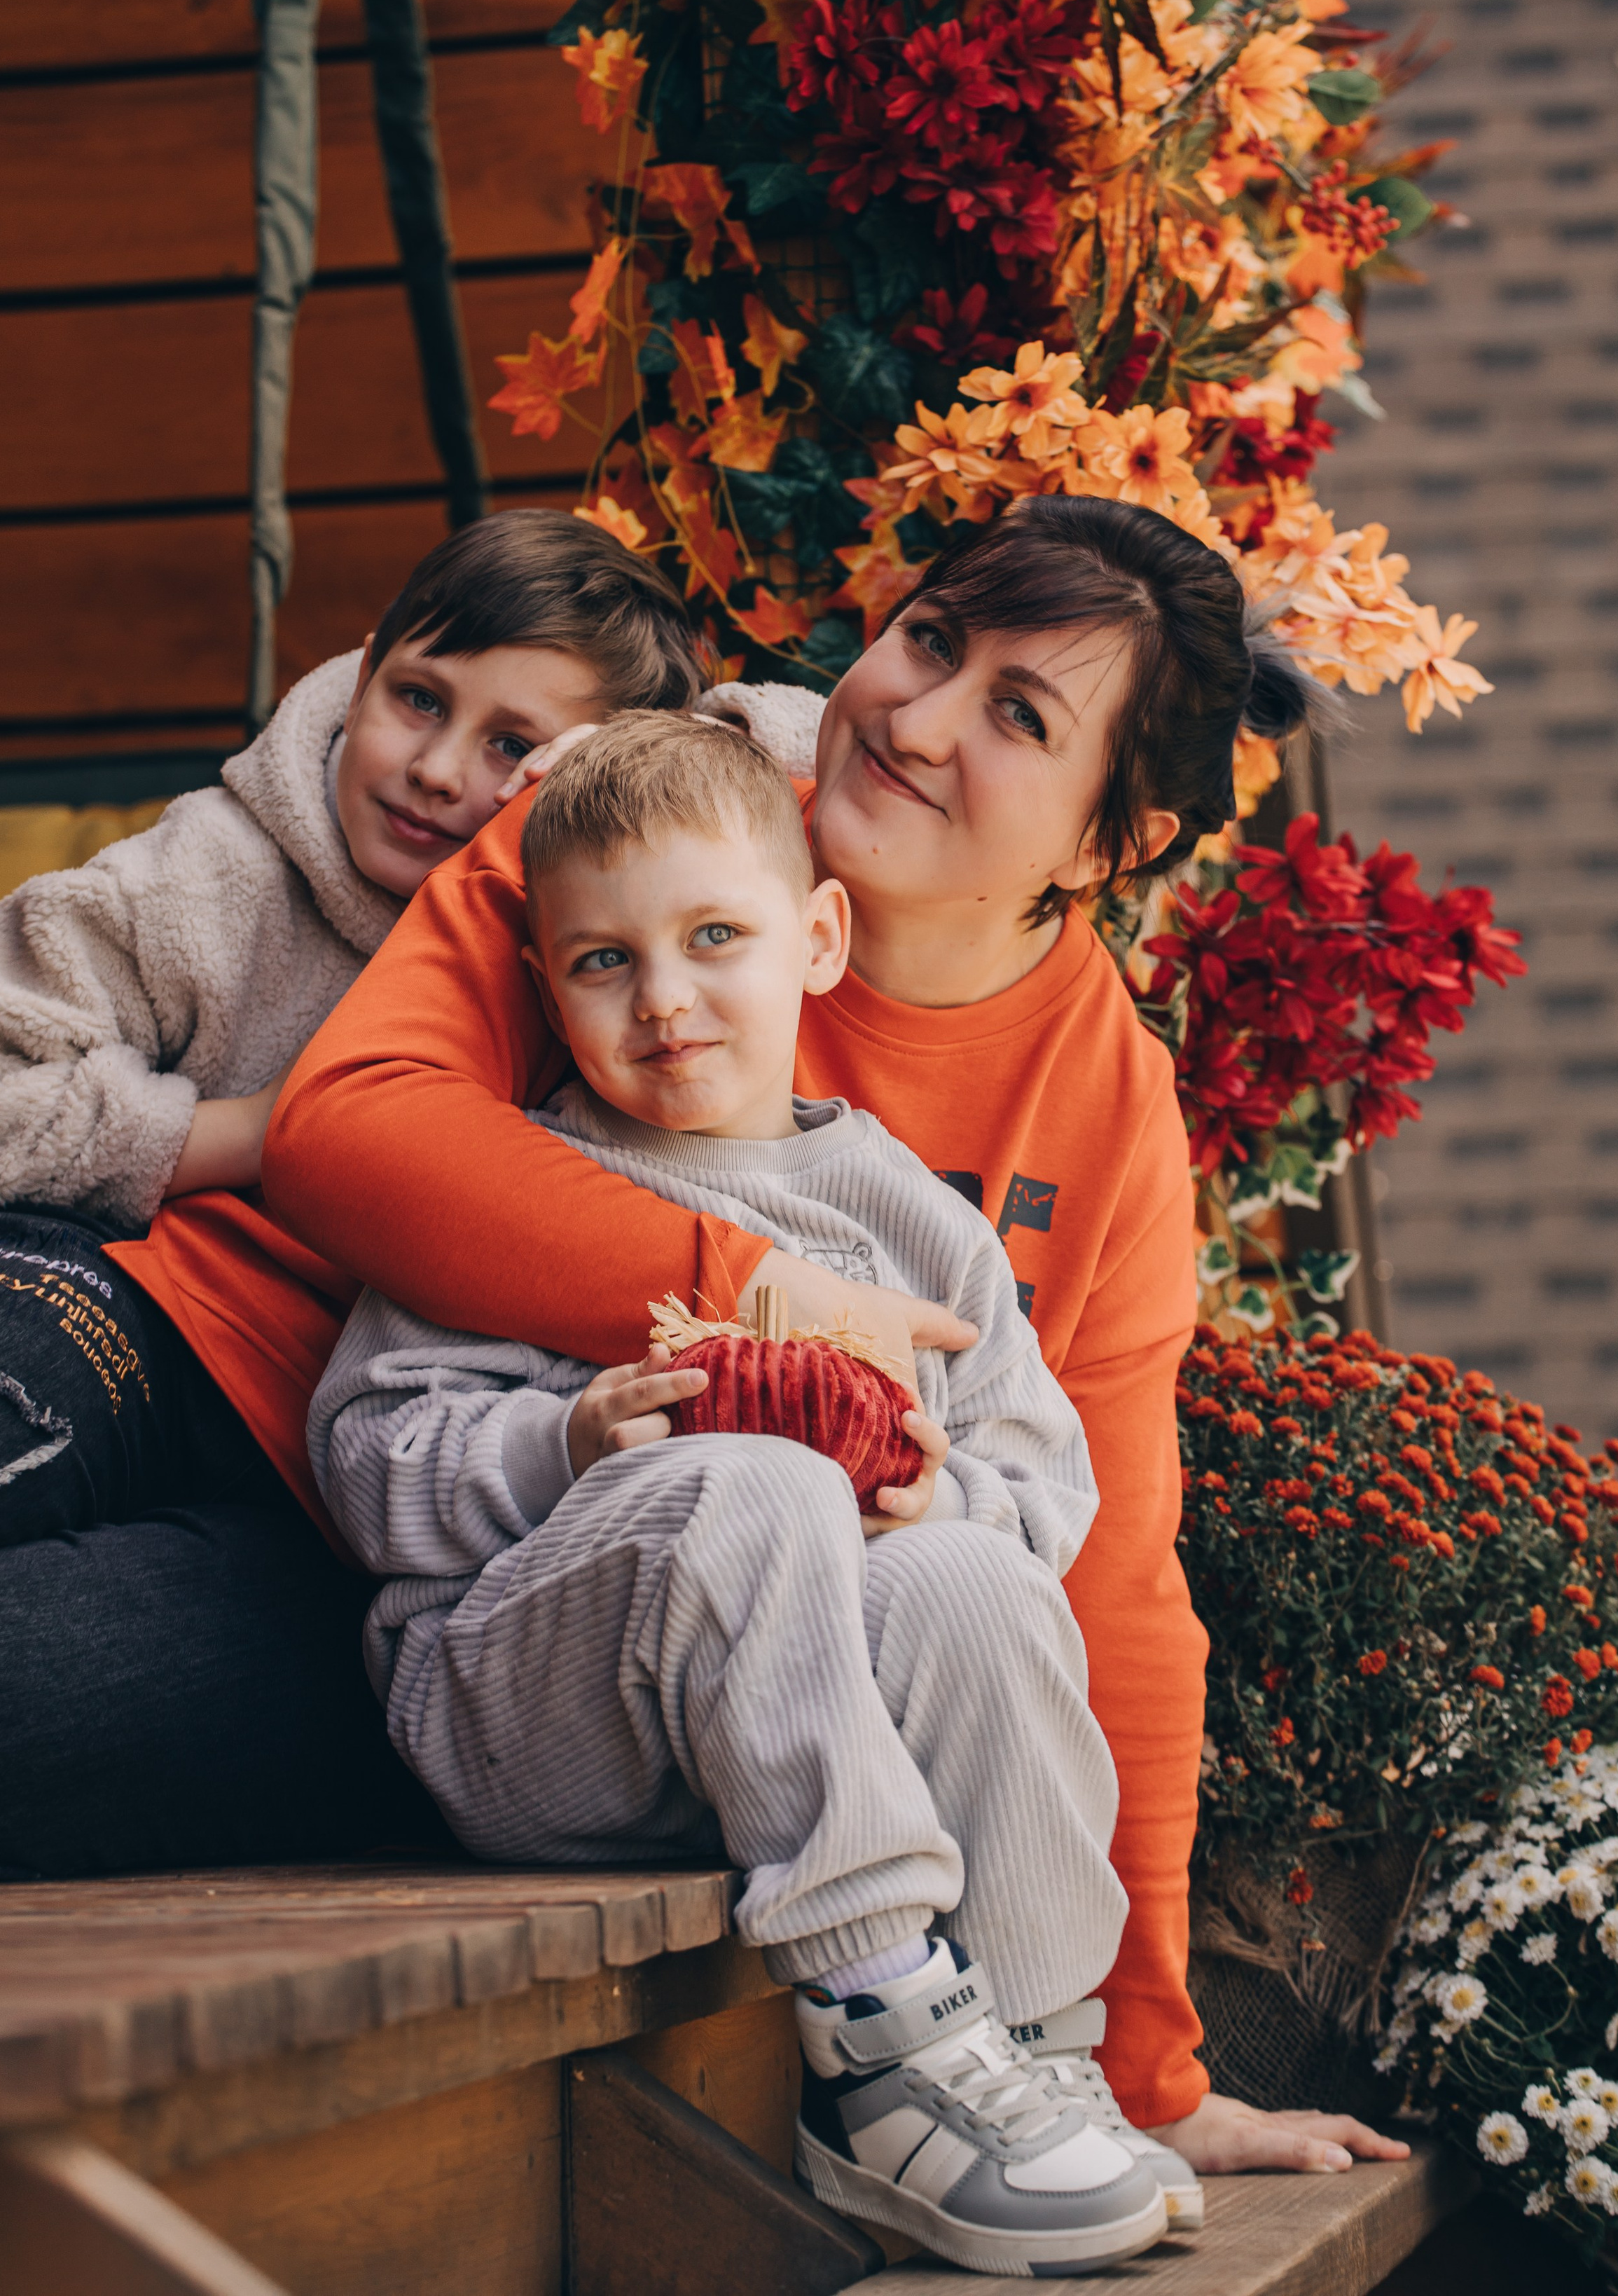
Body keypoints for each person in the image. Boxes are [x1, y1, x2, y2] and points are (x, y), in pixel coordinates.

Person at [265, 494, 1408, 2179]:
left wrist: (1151, 2074)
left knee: (961, 1567)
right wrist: (756, 1305)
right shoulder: (651, 838)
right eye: (931, 638)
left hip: (821, 1703)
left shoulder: (1096, 1099)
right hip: (401, 1536)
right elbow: (349, 1134)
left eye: (1019, 714)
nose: (919, 715)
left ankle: (1013, 2086)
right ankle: (898, 2055)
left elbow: (1106, 1573)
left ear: (1103, 847)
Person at [309, 709, 1190, 2275]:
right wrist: (566, 1444)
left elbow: (1042, 1488)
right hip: (533, 1730)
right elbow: (370, 1461)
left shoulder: (912, 1225)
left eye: (715, 935)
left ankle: (1036, 2050)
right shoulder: (526, 1191)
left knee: (972, 1578)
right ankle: (871, 2046)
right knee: (749, 1485)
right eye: (600, 963)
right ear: (547, 987)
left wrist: (939, 1507)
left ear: (819, 938)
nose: (662, 1000)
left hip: (780, 1756)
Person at [0, 511, 710, 1876]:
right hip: (130, 1312)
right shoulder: (229, 869)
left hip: (337, 1517)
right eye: (417, 699)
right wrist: (270, 1132)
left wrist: (649, 771)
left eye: (512, 750)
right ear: (361, 674)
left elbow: (803, 751)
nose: (432, 770)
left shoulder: (620, 946)